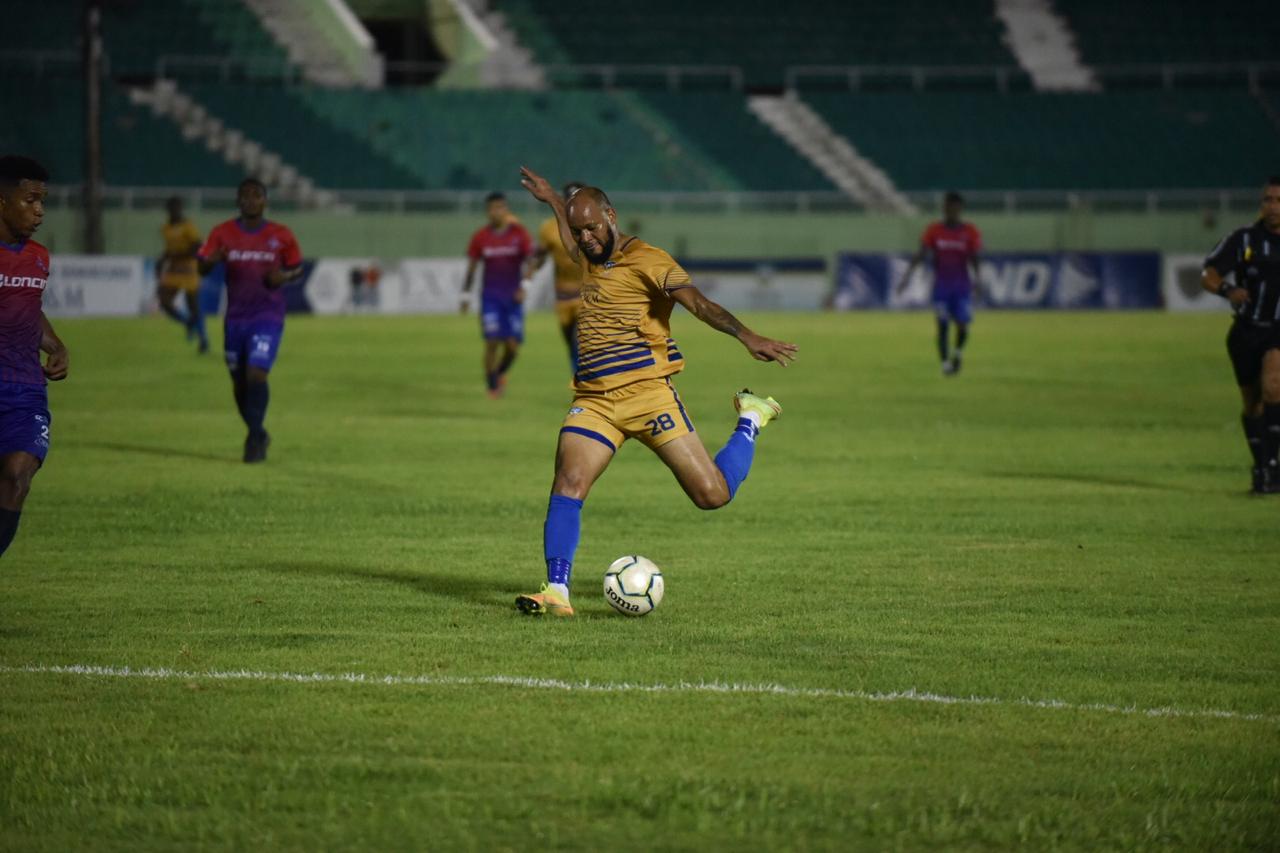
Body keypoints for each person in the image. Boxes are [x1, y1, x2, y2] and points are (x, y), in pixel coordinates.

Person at [514, 167, 798, 617]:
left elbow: (699, 304)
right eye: (578, 229)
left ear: (611, 216)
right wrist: (552, 198)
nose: (584, 237)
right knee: (568, 483)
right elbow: (569, 246)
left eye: (591, 227)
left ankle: (751, 418)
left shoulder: (650, 259)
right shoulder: (588, 253)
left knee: (712, 495)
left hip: (649, 397)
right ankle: (557, 590)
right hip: (594, 401)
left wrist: (747, 336)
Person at [197, 178, 303, 463]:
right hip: (235, 318)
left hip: (268, 315)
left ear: (265, 201)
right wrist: (211, 261)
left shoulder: (281, 235)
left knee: (257, 373)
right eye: (245, 195)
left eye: (256, 195)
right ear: (238, 201)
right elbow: (201, 266)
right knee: (239, 383)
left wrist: (284, 276)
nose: (250, 200)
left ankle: (254, 437)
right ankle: (258, 431)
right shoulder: (222, 233)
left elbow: (296, 269)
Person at [0, 156, 69, 557]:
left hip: (25, 389)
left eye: (43, 201)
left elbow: (28, 306)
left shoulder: (39, 257)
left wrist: (56, 344)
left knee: (16, 478)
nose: (40, 210)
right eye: (31, 200)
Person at [1202, 176, 1280, 494]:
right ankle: (1261, 466)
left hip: (1278, 330)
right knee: (1252, 403)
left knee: (1274, 386)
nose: (1273, 207)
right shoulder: (1244, 238)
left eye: (1279, 201)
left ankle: (1273, 467)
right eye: (1268, 200)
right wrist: (1227, 289)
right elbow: (1209, 275)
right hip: (1246, 332)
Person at [896, 191, 982, 375]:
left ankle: (957, 354)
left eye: (954, 207)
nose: (950, 210)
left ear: (960, 209)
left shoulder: (969, 232)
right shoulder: (934, 230)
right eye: (947, 207)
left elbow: (974, 258)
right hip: (941, 287)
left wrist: (978, 280)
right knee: (942, 324)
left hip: (961, 287)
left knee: (962, 324)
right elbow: (921, 253)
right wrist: (906, 276)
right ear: (944, 208)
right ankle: (945, 364)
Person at [460, 192, 535, 398]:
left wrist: (524, 286)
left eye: (500, 207)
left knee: (512, 346)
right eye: (493, 208)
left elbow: (531, 261)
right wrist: (465, 295)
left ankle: (500, 372)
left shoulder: (519, 234)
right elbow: (472, 268)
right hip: (490, 297)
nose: (497, 212)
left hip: (512, 298)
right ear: (487, 212)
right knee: (492, 341)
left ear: (506, 210)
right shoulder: (481, 237)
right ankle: (492, 386)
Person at [534, 181, 586, 375]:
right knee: (569, 340)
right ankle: (576, 372)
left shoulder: (593, 225)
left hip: (585, 293)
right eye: (570, 198)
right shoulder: (549, 228)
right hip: (562, 294)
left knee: (580, 339)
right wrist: (530, 271)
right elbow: (541, 255)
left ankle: (583, 379)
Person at [156, 196, 208, 353]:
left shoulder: (188, 226)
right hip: (174, 269)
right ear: (168, 210)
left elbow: (198, 245)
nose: (175, 211)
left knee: (193, 305)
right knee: (164, 301)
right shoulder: (166, 228)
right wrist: (162, 259)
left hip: (188, 268)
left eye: (177, 208)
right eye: (172, 208)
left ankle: (203, 340)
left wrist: (180, 255)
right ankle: (187, 322)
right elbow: (169, 248)